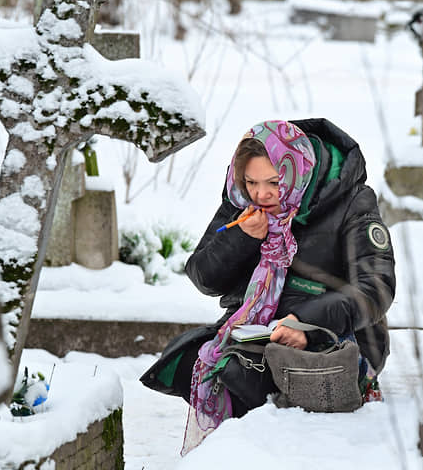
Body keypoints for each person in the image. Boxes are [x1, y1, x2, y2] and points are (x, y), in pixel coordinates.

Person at [140, 118, 395, 454]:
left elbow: (376, 287)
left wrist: (307, 324)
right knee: (202, 364)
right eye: (251, 182)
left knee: (257, 380)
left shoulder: (351, 200)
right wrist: (241, 238)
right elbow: (203, 277)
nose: (261, 194)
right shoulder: (244, 200)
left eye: (274, 182)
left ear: (296, 170)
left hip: (334, 336)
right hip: (258, 336)